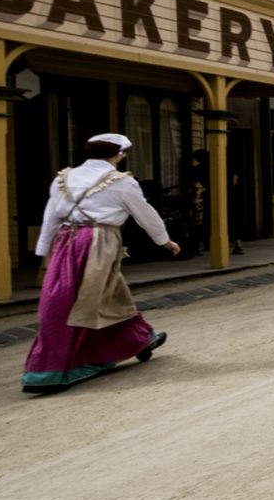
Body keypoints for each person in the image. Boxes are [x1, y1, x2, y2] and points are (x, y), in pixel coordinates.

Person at [22, 132, 179, 393]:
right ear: (119, 154)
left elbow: (51, 215)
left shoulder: (64, 177)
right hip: (98, 241)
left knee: (96, 293)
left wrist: (43, 250)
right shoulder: (121, 182)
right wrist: (164, 241)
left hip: (65, 241)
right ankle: (56, 367)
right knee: (87, 300)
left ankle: (139, 339)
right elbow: (145, 214)